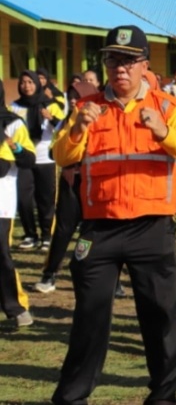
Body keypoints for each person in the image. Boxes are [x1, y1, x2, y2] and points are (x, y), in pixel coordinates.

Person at [50, 25, 176, 404]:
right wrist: (79, 130)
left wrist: (164, 132)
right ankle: (72, 396)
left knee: (160, 316)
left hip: (152, 227)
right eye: (114, 60)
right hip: (99, 229)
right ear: (105, 64)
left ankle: (163, 396)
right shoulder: (87, 108)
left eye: (130, 61)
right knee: (90, 316)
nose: (121, 69)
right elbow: (61, 157)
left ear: (144, 65)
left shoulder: (167, 106)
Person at [34, 82, 99, 293]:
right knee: (63, 230)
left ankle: (108, 280)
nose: (72, 100)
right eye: (71, 96)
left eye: (78, 96)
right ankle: (49, 273)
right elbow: (56, 152)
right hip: (72, 182)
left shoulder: (102, 120)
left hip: (97, 183)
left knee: (95, 233)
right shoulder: (64, 123)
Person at [11, 70, 64, 250]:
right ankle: (30, 235)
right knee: (23, 198)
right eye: (23, 82)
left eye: (30, 82)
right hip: (24, 159)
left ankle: (47, 235)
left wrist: (52, 119)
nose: (27, 86)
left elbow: (63, 129)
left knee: (45, 200)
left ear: (38, 84)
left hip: (45, 159)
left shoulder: (51, 105)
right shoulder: (14, 107)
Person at [0, 84, 37, 328]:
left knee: (1, 255)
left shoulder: (12, 123)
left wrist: (12, 145)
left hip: (1, 202)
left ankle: (16, 307)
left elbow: (27, 159)